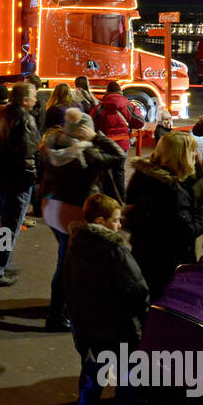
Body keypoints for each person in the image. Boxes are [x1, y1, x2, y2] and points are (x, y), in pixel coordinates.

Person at [65, 193, 149, 405]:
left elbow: (68, 285)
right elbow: (138, 291)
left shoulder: (75, 245)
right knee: (126, 384)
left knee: (91, 383)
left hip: (88, 330)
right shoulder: (117, 252)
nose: (120, 224)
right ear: (101, 220)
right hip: (120, 330)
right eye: (115, 220)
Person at [38, 110, 124, 331]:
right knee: (68, 264)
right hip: (76, 210)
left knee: (65, 257)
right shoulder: (87, 154)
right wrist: (97, 138)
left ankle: (62, 307)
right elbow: (119, 156)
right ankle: (57, 314)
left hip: (52, 206)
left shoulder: (52, 145)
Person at [123, 132, 203, 298]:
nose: (195, 155)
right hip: (168, 260)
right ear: (180, 156)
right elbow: (186, 232)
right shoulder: (171, 192)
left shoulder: (143, 174)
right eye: (191, 151)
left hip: (143, 249)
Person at [0, 83, 41, 287]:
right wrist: (34, 180)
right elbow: (28, 155)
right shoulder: (24, 119)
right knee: (10, 225)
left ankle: (3, 261)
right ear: (24, 100)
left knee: (7, 222)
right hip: (16, 179)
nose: (36, 99)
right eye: (34, 95)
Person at [91, 81, 142, 200]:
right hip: (122, 146)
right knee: (119, 172)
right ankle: (121, 200)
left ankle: (106, 201)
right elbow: (140, 122)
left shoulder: (99, 107)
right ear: (120, 92)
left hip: (105, 146)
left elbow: (91, 124)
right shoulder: (129, 106)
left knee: (106, 174)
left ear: (107, 92)